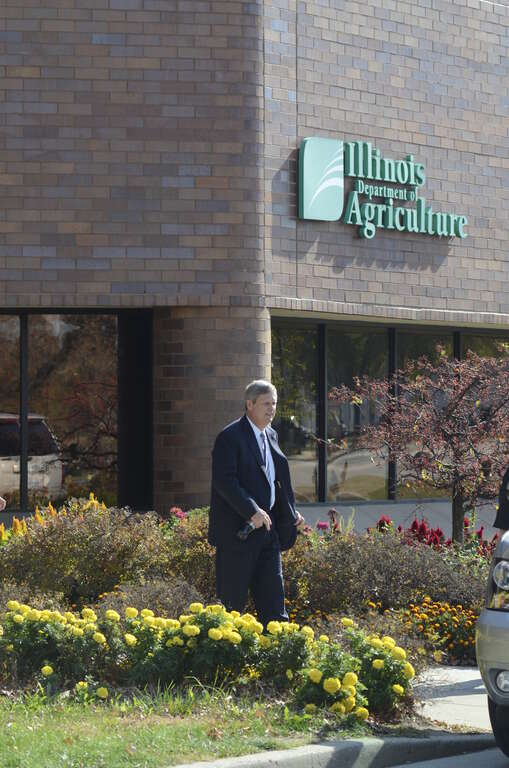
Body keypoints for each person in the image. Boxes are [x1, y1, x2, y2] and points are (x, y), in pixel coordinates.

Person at [209, 380, 304, 626]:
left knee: (275, 610)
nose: (271, 409)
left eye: (274, 403)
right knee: (230, 610)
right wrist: (252, 511)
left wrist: (290, 513)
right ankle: (227, 652)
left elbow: (275, 481)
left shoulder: (271, 435)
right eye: (266, 404)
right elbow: (224, 481)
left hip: (268, 534)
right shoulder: (230, 437)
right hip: (238, 536)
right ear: (249, 404)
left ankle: (279, 650)